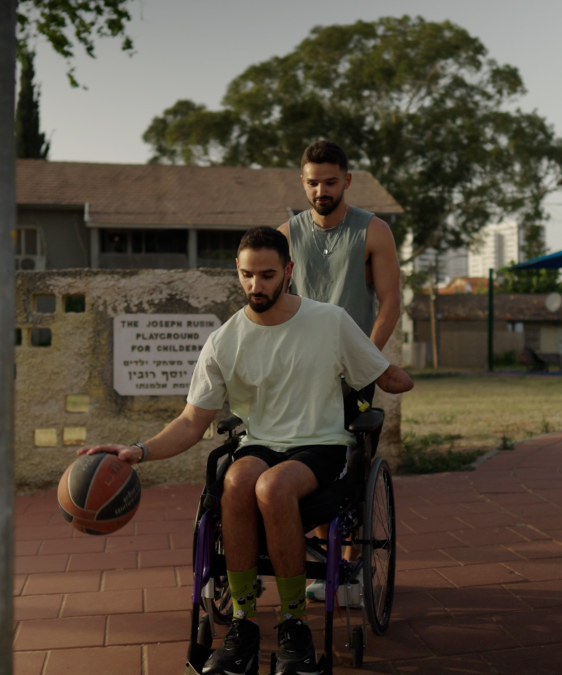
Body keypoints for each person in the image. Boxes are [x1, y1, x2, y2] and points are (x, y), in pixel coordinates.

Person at [77, 227, 414, 675]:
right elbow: (192, 422)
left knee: (273, 488)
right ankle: (244, 623)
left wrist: (395, 377)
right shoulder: (224, 341)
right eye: (248, 275)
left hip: (321, 444)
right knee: (234, 480)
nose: (257, 285)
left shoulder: (329, 321)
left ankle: (295, 625)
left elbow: (378, 372)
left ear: (288, 272)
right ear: (237, 273)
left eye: (268, 274)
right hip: (259, 443)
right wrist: (138, 451)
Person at [278, 140, 402, 603]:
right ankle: (320, 559)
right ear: (302, 182)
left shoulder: (373, 231)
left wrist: (366, 360)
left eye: (331, 181)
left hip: (356, 367)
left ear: (347, 181)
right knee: (305, 457)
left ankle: (351, 568)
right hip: (299, 371)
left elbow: (389, 302)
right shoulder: (285, 235)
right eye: (312, 182)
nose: (321, 190)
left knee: (354, 461)